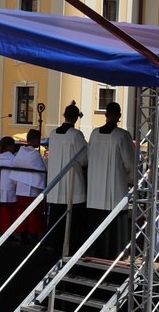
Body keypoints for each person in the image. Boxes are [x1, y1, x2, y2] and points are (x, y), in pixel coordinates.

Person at [87, 102, 135, 258]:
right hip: (115, 185)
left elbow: (89, 156)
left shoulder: (94, 134)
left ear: (106, 115)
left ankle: (96, 250)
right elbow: (130, 162)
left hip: (95, 187)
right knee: (115, 220)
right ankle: (116, 251)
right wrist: (131, 178)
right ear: (119, 116)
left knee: (97, 220)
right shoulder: (122, 135)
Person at [46, 102, 88, 253]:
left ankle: (53, 243)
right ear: (76, 118)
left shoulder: (52, 134)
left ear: (64, 116)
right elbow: (84, 158)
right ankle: (72, 246)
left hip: (56, 183)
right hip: (71, 182)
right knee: (72, 218)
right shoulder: (76, 135)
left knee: (56, 214)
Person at [10, 129, 47, 241]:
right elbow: (41, 169)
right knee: (33, 213)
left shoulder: (21, 151)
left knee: (22, 211)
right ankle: (33, 235)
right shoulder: (34, 154)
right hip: (33, 187)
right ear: (35, 139)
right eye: (39, 140)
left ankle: (23, 234)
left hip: (21, 186)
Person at [0, 136, 18, 233]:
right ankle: (8, 232)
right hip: (9, 187)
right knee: (8, 213)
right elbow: (15, 175)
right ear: (10, 146)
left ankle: (0, 230)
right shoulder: (13, 159)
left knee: (0, 211)